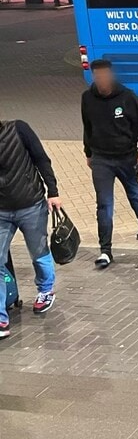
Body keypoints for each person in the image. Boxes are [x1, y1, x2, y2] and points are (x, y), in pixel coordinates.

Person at [82, 60, 138, 268]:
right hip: (101, 159)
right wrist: (88, 153)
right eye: (98, 76)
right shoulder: (87, 98)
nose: (102, 80)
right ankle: (105, 251)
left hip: (126, 156)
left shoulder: (126, 96)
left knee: (134, 194)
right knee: (104, 204)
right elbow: (87, 126)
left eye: (105, 75)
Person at [0, 118, 62, 337]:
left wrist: (53, 192)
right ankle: (1, 319)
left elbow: (41, 159)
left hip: (31, 205)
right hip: (1, 211)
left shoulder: (18, 128)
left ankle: (46, 290)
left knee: (38, 254)